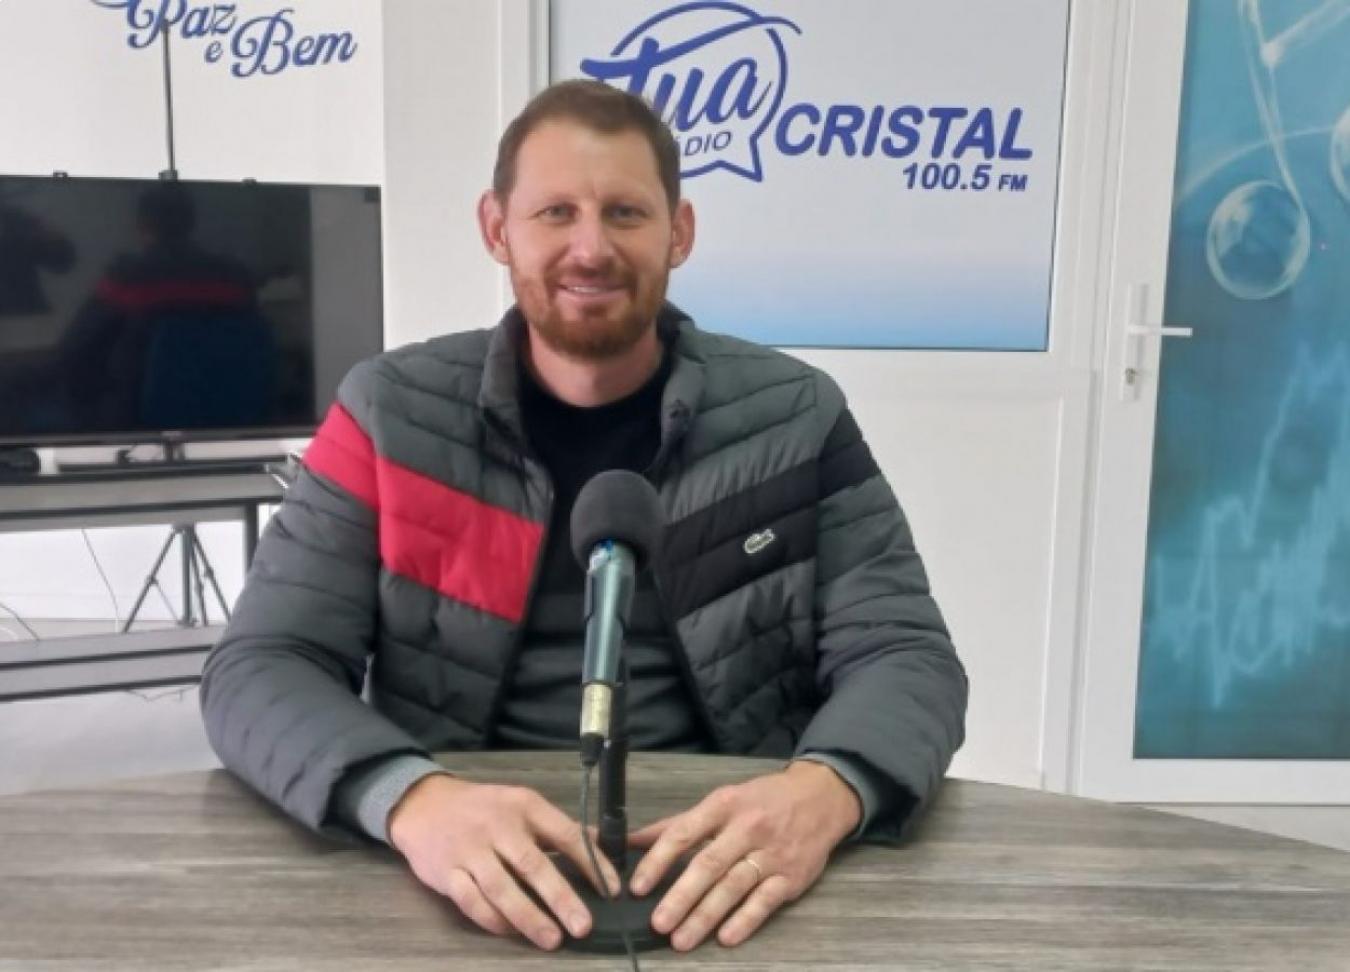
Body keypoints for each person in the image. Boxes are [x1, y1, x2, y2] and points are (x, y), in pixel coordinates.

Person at [201, 79, 967, 954]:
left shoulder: (796, 415)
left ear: (680, 231)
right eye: (556, 212)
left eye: (626, 213)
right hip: (454, 862)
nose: (591, 248)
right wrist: (412, 800)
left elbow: (905, 654)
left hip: (731, 872)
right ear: (498, 228)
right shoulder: (386, 414)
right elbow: (261, 665)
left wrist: (824, 792)